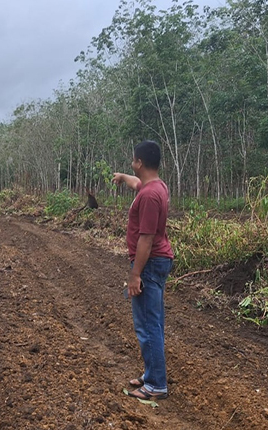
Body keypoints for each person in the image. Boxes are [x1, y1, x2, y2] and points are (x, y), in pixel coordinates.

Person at [112, 140, 174, 401]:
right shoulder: (155, 186)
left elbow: (146, 239)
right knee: (153, 322)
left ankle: (156, 385)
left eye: (132, 161)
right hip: (158, 261)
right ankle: (152, 375)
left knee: (147, 326)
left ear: (140, 162)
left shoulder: (149, 196)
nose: (131, 164)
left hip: (149, 264)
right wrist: (123, 177)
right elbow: (136, 184)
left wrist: (135, 275)